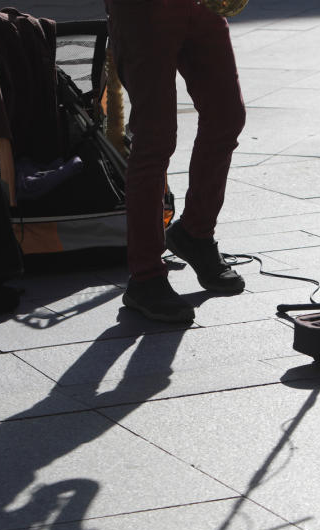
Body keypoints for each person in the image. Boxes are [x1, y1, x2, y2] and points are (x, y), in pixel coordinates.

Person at [105, 0, 247, 324]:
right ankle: (145, 277)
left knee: (227, 116)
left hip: (198, 6)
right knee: (154, 138)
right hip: (143, 11)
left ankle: (195, 233)